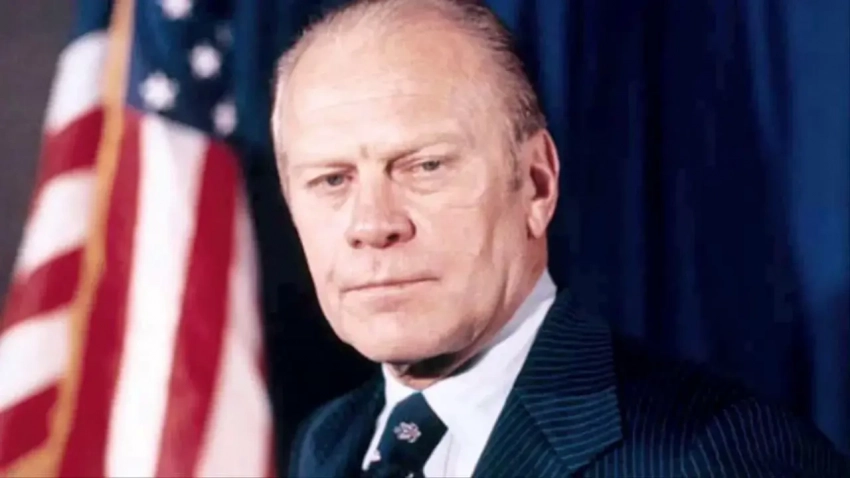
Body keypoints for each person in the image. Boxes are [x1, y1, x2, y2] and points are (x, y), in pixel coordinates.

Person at [270, 0, 850, 476]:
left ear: (537, 184)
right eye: (332, 180)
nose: (373, 225)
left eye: (426, 166)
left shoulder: (712, 456)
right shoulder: (329, 442)